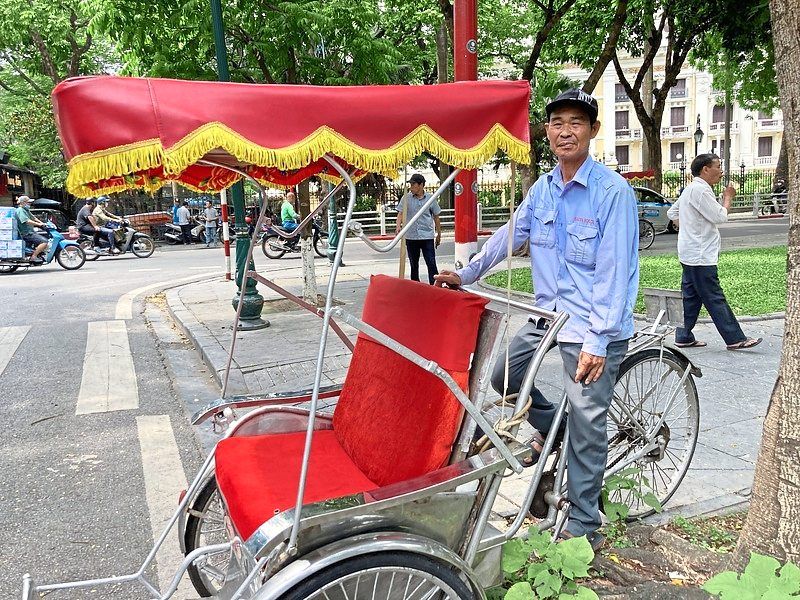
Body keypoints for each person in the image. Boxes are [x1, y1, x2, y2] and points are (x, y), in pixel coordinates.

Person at [435, 89, 639, 550]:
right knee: (503, 373)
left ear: (592, 130)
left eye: (576, 122)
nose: (565, 130)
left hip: (591, 326)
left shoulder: (611, 192)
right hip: (548, 318)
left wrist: (598, 341)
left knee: (589, 423)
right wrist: (466, 272)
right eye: (556, 122)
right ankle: (558, 431)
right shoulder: (542, 189)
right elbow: (509, 236)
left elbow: (614, 272)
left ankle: (585, 522)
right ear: (546, 131)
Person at [666, 154, 762, 350]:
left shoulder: (690, 189)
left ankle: (683, 335)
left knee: (692, 296)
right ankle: (735, 338)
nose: (721, 171)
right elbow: (720, 217)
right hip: (700, 255)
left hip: (689, 252)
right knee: (713, 296)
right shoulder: (701, 190)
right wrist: (728, 198)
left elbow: (672, 213)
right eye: (718, 166)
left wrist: (689, 229)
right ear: (705, 169)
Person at [395, 173, 442, 284]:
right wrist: (398, 226)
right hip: (411, 237)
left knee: (431, 262)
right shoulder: (406, 198)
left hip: (427, 237)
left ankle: (435, 285)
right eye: (410, 184)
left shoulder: (431, 199)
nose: (411, 187)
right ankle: (415, 285)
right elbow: (400, 213)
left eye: (413, 184)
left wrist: (439, 234)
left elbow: (436, 216)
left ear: (421, 185)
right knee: (413, 264)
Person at [15, 196, 48, 264]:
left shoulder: (25, 210)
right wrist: (39, 225)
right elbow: (27, 221)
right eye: (28, 202)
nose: (29, 204)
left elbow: (33, 218)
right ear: (23, 203)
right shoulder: (20, 210)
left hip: (30, 232)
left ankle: (37, 254)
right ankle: (34, 257)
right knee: (44, 242)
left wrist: (42, 223)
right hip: (26, 233)